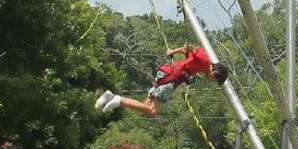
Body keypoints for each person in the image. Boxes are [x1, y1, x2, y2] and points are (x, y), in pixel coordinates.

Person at [96, 44, 229, 116]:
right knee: (152, 111)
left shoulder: (202, 66)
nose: (211, 81)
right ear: (215, 72)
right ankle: (119, 100)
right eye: (214, 79)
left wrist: (173, 51)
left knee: (146, 107)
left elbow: (185, 51)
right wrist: (181, 51)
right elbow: (190, 48)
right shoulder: (205, 61)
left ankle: (110, 96)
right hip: (171, 78)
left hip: (166, 75)